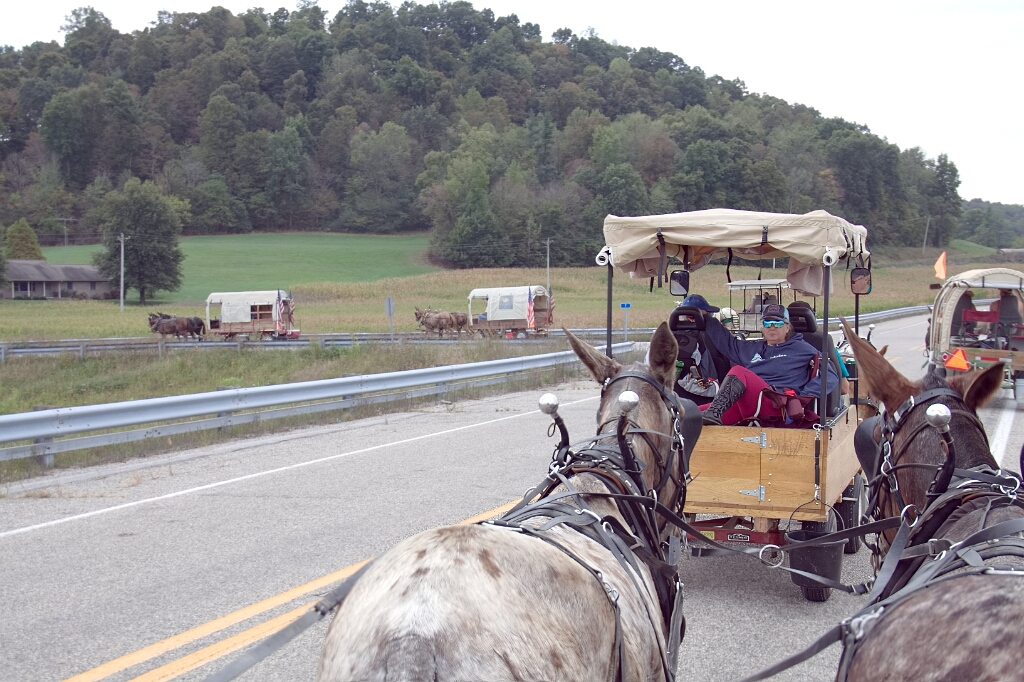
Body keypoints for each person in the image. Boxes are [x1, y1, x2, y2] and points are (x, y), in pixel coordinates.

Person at [697, 303, 839, 426]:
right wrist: (706, 317)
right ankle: (712, 414)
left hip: (777, 406)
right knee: (692, 414)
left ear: (787, 327)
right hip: (749, 405)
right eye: (767, 323)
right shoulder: (752, 348)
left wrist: (803, 397)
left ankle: (714, 412)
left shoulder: (803, 348)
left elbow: (830, 375)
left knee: (738, 371)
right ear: (762, 327)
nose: (772, 327)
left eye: (778, 323)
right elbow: (727, 343)